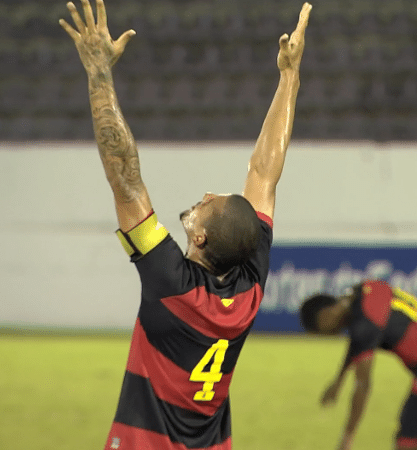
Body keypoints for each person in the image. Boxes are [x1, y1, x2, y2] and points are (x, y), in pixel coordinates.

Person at [59, 0, 312, 448]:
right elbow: (264, 172)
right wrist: (289, 77)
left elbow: (126, 180)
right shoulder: (248, 287)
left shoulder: (172, 283)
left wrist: (98, 74)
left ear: (199, 237)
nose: (209, 194)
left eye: (208, 204)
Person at [300, 280, 417, 450]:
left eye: (322, 331)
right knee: (408, 440)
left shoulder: (364, 325)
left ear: (326, 314)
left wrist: (347, 438)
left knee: (407, 443)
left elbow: (363, 385)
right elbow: (357, 343)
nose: (328, 335)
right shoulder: (362, 291)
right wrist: (339, 381)